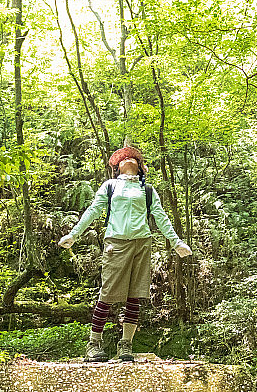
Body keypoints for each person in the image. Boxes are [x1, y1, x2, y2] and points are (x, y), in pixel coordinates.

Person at [57, 146, 192, 362]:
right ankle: (93, 344)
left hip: (142, 243)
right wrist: (74, 234)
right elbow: (93, 210)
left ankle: (126, 345)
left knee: (135, 295)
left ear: (140, 168)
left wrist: (176, 243)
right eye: (122, 159)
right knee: (108, 293)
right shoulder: (110, 186)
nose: (128, 159)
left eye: (133, 158)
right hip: (116, 242)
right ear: (117, 168)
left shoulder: (147, 190)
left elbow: (160, 216)